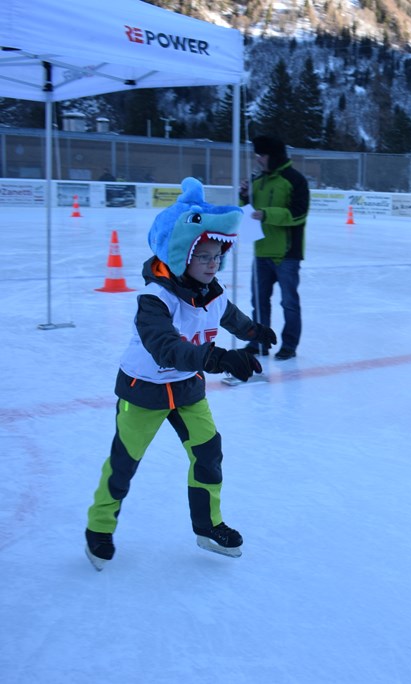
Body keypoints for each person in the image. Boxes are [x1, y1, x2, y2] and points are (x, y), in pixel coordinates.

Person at [83, 177, 277, 571]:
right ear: (181, 255)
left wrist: (254, 331)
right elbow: (167, 348)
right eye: (203, 256)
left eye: (216, 256)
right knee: (124, 463)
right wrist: (221, 359)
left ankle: (208, 526)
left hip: (187, 390)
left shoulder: (212, 291)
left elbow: (229, 315)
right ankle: (99, 528)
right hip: (143, 390)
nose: (212, 264)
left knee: (208, 451)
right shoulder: (154, 300)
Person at [240, 135, 309, 361]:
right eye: (257, 155)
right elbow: (248, 213)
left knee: (289, 303)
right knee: (258, 303)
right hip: (261, 252)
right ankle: (259, 343)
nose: (258, 159)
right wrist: (244, 197)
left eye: (262, 155)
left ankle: (289, 345)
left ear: (275, 156)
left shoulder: (295, 180)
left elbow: (299, 214)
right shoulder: (257, 180)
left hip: (287, 254)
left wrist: (267, 214)